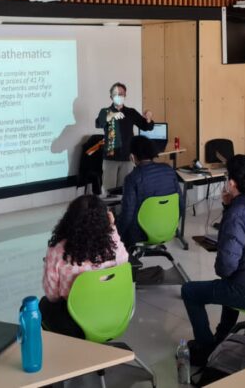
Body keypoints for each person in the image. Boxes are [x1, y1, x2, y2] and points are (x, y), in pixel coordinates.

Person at [181, 155, 245, 365]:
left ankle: (205, 350)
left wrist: (230, 211)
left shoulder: (237, 214)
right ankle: (220, 339)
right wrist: (229, 206)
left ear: (232, 183)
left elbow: (225, 268)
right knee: (233, 281)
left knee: (190, 291)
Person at [40, 195, 129, 339]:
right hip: (113, 314)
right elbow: (124, 260)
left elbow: (52, 296)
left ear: (69, 219)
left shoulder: (57, 250)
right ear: (105, 219)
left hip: (76, 323)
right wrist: (112, 227)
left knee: (44, 304)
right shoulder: (112, 245)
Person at [117, 135, 183, 249]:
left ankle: (127, 257)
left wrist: (116, 233)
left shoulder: (132, 178)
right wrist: (171, 223)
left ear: (132, 156)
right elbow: (181, 204)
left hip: (140, 234)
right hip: (169, 228)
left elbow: (127, 214)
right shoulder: (169, 170)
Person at [95, 82, 154, 192]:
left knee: (125, 189)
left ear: (125, 95)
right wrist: (111, 115)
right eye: (116, 93)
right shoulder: (105, 111)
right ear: (111, 96)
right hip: (110, 158)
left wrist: (148, 117)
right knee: (108, 190)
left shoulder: (131, 112)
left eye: (121, 93)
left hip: (127, 157)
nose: (119, 96)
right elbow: (98, 123)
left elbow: (147, 127)